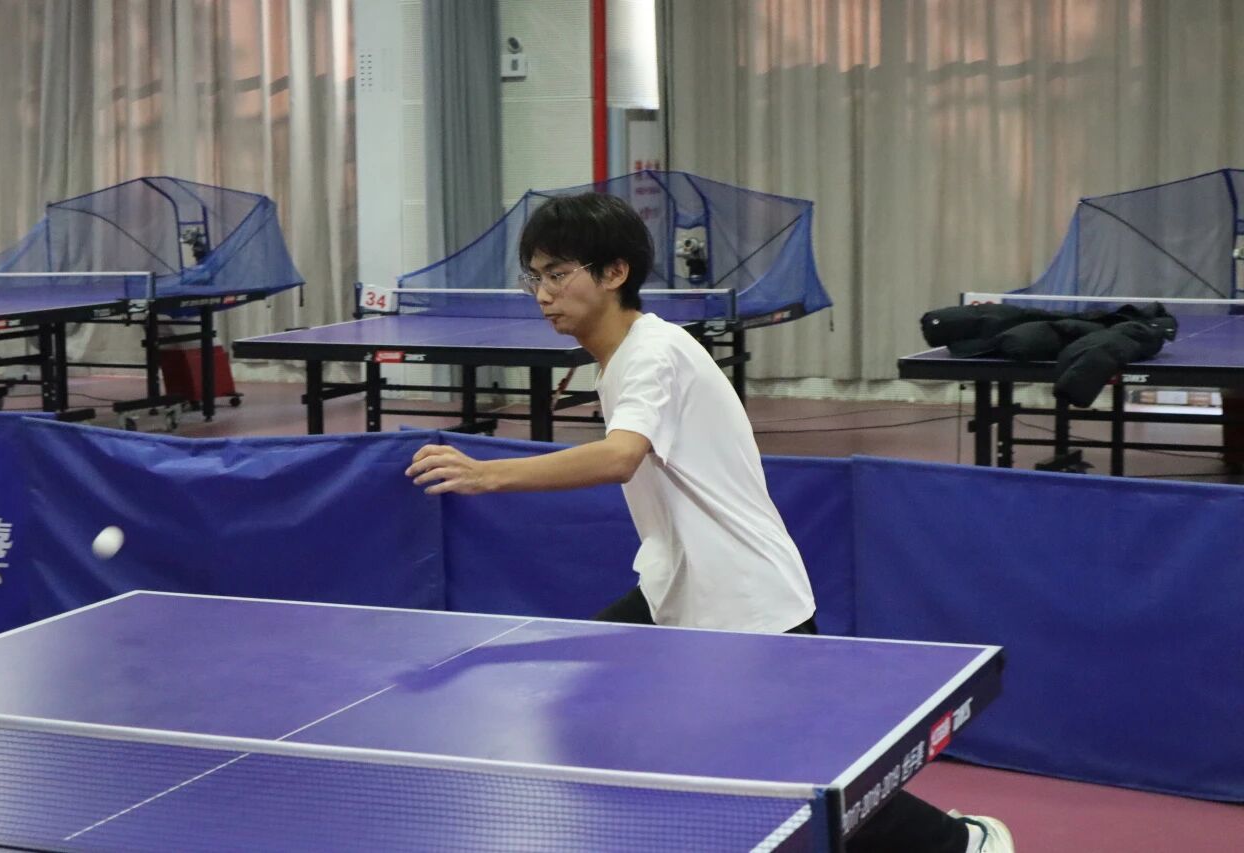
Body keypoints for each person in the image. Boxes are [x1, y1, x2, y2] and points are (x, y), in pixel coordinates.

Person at [405, 192, 1014, 853]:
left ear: (614, 273)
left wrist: (487, 474)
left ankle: (961, 844)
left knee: (796, 770)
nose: (544, 294)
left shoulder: (653, 354)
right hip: (678, 586)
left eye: (559, 273)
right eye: (536, 277)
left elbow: (619, 456)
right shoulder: (621, 359)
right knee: (587, 700)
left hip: (745, 601)